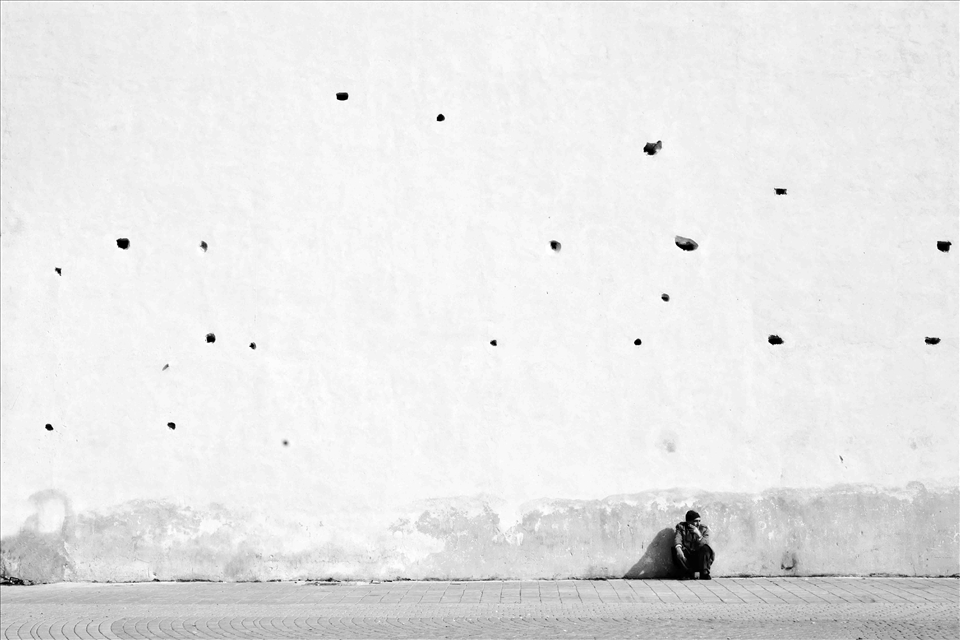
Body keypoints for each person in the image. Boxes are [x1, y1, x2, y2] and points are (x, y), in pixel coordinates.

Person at [673, 510, 714, 579]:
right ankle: (688, 573)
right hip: (687, 557)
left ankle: (704, 572)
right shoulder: (681, 527)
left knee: (706, 549)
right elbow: (677, 538)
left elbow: (705, 542)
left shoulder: (703, 529)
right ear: (688, 522)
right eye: (695, 521)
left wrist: (699, 534)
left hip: (699, 558)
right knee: (676, 550)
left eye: (699, 521)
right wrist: (678, 548)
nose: (698, 524)